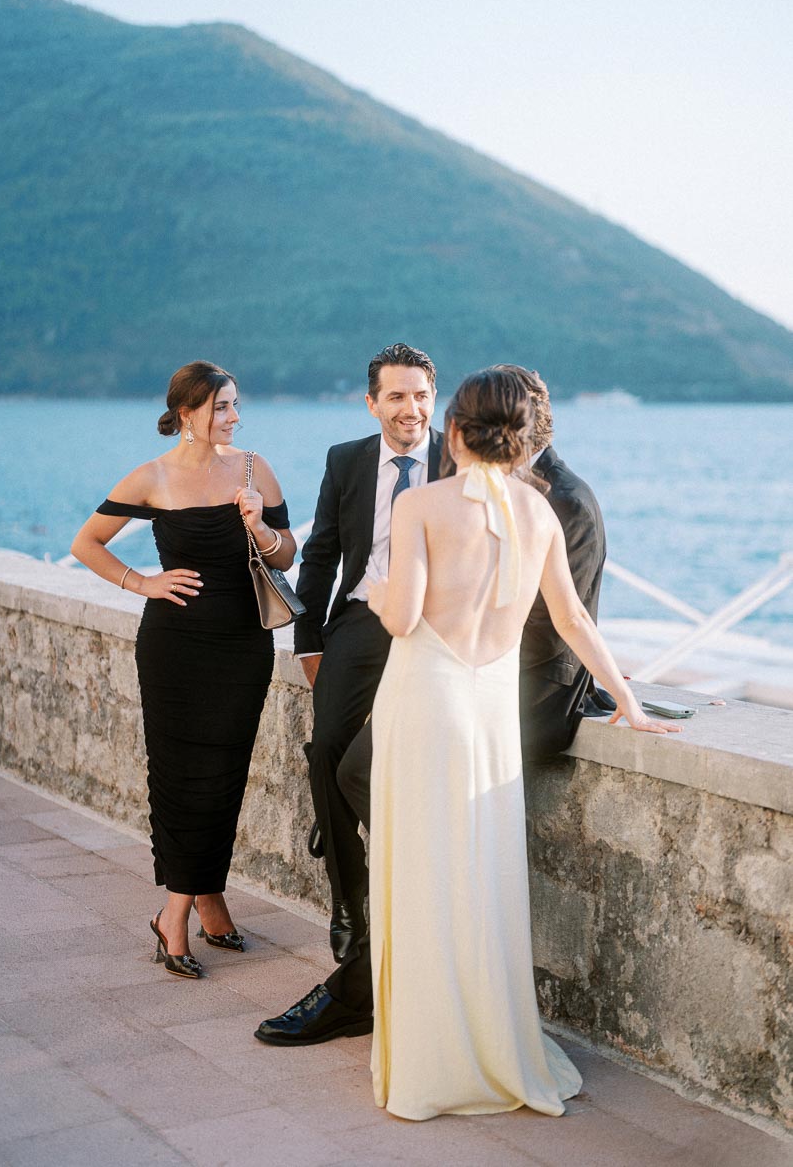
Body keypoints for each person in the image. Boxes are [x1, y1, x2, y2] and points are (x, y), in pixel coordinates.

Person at [254, 363, 611, 1047]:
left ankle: (358, 988)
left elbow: (561, 629)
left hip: (519, 696)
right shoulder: (492, 482)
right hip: (452, 670)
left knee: (403, 813)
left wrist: (619, 696)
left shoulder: (565, 501)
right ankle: (369, 919)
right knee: (352, 767)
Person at [364, 367, 679, 1119]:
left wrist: (375, 589)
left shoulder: (421, 505)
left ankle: (430, 1059)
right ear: (522, 433)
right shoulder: (540, 515)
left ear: (454, 429)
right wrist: (627, 700)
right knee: (480, 873)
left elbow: (403, 618)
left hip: (426, 701)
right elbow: (573, 621)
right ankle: (494, 1043)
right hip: (490, 711)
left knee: (422, 871)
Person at [71, 361, 295, 978]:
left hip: (242, 645)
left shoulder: (254, 468)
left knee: (224, 774)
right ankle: (176, 913)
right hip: (174, 647)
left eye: (235, 405)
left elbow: (288, 553)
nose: (234, 416)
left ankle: (208, 894)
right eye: (223, 406)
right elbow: (85, 543)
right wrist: (141, 581)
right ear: (189, 412)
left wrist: (258, 525)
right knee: (178, 776)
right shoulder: (152, 477)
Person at [293, 342, 444, 963]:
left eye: (423, 396)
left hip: (431, 626)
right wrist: (307, 641)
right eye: (398, 397)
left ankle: (354, 838)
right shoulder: (347, 461)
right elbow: (321, 552)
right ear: (373, 403)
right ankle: (349, 902)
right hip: (359, 618)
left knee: (365, 763)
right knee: (326, 747)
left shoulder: (459, 462)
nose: (412, 410)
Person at [492, 364, 610, 763]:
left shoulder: (566, 500)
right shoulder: (505, 483)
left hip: (540, 687)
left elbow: (552, 627)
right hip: (501, 669)